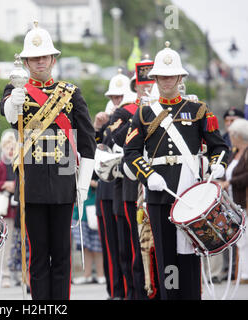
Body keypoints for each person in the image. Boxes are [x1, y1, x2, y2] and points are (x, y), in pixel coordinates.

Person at [123, 41, 229, 300]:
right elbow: (131, 152)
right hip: (160, 195)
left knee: (190, 254)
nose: (167, 80)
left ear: (180, 77)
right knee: (167, 257)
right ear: (155, 78)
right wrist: (149, 176)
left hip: (191, 193)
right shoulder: (145, 113)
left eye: (172, 76)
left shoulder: (198, 110)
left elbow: (219, 146)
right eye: (162, 76)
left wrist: (218, 166)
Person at [0, 21, 96, 300]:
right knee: (39, 255)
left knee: (62, 254)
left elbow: (88, 141)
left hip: (65, 183)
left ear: (53, 59)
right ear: (26, 61)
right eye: (34, 58)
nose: (40, 62)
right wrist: (13, 102)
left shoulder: (70, 92)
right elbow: (6, 114)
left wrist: (83, 184)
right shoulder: (15, 89)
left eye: (44, 57)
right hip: (32, 183)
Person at [108, 60, 156, 300]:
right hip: (133, 187)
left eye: (150, 83)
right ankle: (138, 294)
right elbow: (117, 136)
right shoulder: (125, 112)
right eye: (141, 85)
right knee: (137, 247)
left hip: (162, 186)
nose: (146, 89)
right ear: (135, 88)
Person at [94, 70, 131, 300]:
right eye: (113, 97)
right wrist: (98, 128)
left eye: (120, 96)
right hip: (106, 187)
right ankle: (114, 290)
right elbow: (96, 149)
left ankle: (128, 289)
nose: (116, 101)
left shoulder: (129, 115)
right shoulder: (107, 117)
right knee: (110, 245)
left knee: (125, 244)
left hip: (123, 185)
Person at [218, 118, 248, 284]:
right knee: (241, 240)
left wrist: (230, 182)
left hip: (245, 201)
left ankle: (245, 273)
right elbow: (226, 172)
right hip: (233, 203)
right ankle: (244, 272)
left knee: (246, 239)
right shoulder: (234, 152)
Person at [0, 131, 19, 288]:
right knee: (6, 245)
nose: (10, 149)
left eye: (13, 146)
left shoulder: (21, 164)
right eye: (7, 146)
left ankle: (20, 274)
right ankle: (5, 275)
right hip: (5, 210)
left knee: (19, 243)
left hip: (20, 209)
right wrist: (5, 185)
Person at [71, 173, 105, 285]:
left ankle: (100, 274)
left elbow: (103, 181)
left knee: (97, 246)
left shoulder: (95, 163)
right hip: (79, 211)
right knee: (85, 246)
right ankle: (87, 274)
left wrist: (91, 182)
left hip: (93, 208)